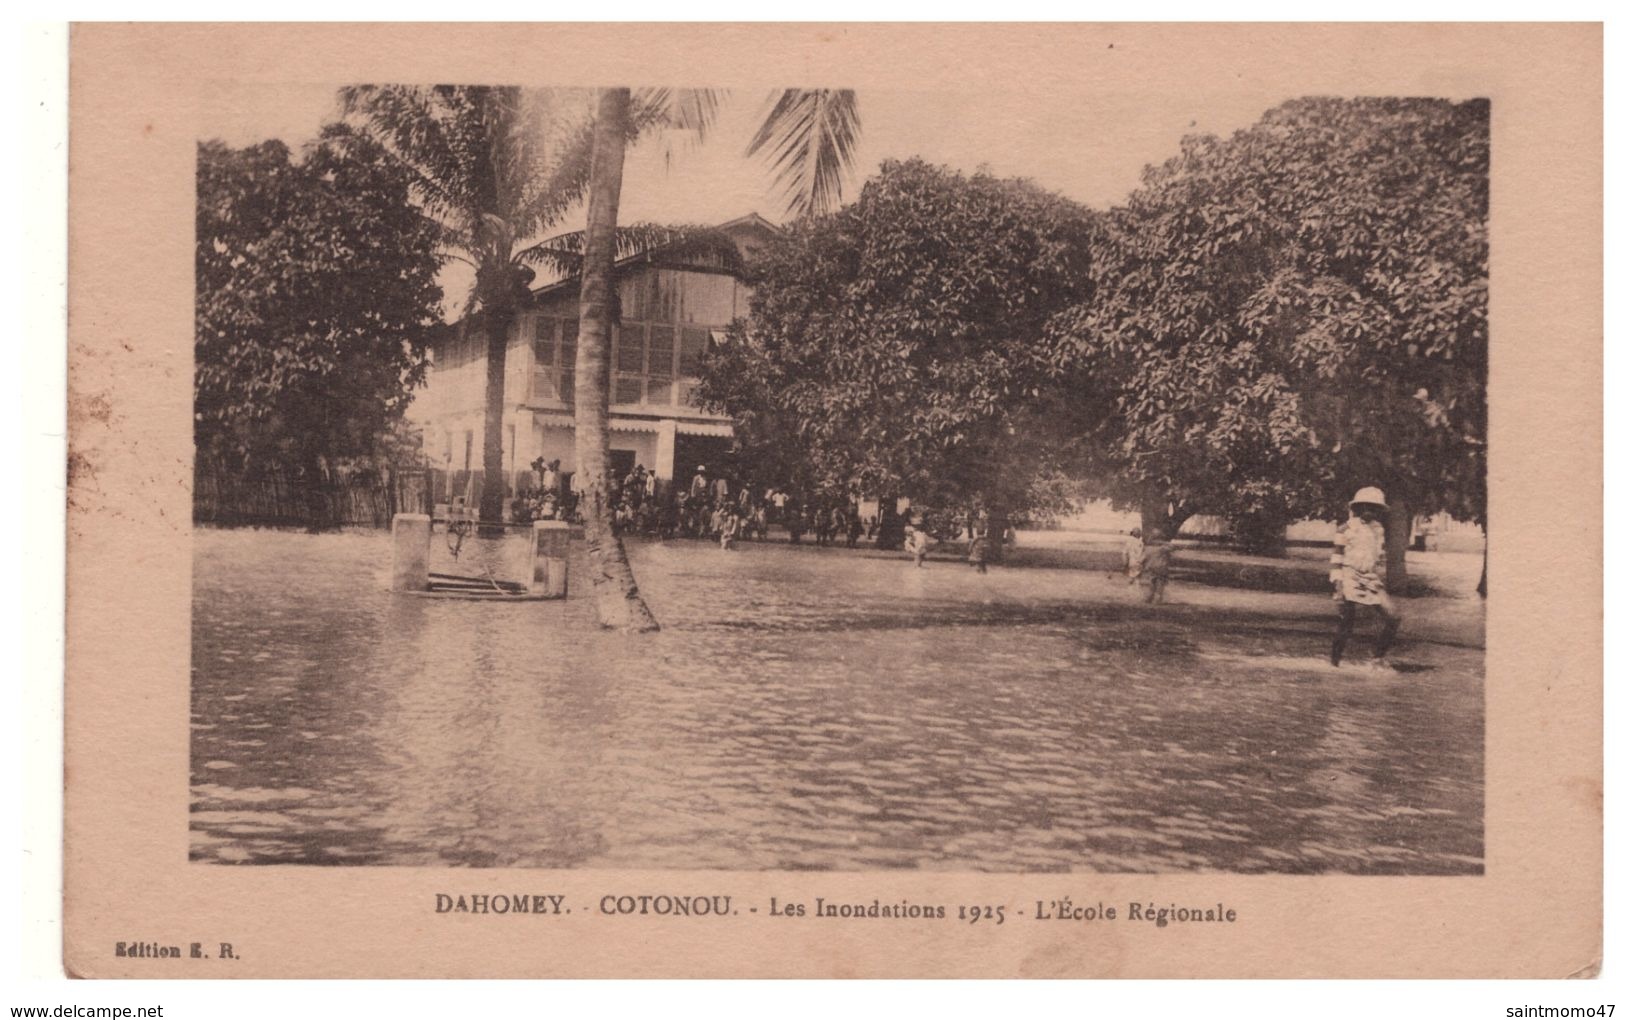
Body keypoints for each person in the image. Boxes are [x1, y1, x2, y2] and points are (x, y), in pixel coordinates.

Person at [1330, 486, 1402, 669]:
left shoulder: (1378, 529)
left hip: (1370, 577)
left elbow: (1379, 558)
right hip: (1349, 575)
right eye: (1367, 506)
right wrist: (1338, 587)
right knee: (1347, 623)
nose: (1371, 511)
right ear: (1359, 507)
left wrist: (1380, 583)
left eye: (1375, 507)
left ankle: (1376, 658)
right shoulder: (1345, 528)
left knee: (1393, 616)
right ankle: (1334, 664)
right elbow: (1336, 560)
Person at [1141, 528, 1172, 603]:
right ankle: (1157, 599)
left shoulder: (1147, 548)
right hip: (1161, 568)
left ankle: (1148, 598)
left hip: (1150, 567)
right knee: (1160, 584)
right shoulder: (1163, 548)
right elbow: (1172, 548)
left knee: (1151, 584)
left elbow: (1142, 559)